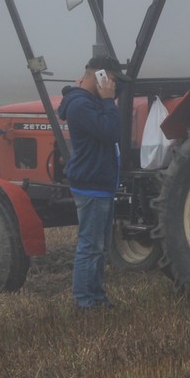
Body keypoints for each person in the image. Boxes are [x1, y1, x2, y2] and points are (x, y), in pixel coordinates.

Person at [58, 54, 123, 310]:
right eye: (111, 82)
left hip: (101, 183)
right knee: (90, 246)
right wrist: (108, 100)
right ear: (100, 78)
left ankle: (97, 296)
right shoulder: (80, 106)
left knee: (99, 246)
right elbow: (111, 132)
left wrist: (102, 95)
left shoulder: (87, 101)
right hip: (92, 184)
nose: (113, 88)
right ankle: (85, 302)